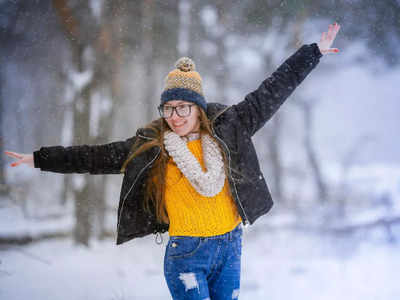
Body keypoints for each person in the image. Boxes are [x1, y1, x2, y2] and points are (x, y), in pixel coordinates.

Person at [5, 22, 340, 300]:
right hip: (186, 255)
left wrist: (313, 53)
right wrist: (39, 158)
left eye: (183, 108)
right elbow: (95, 156)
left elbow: (272, 90)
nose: (175, 116)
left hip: (230, 247)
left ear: (198, 108)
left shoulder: (230, 126)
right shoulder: (154, 146)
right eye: (168, 108)